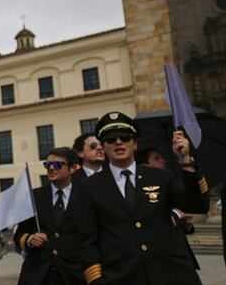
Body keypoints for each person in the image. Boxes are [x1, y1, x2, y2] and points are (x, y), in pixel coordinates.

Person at [73, 112, 209, 285]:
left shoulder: (161, 177)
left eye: (125, 137)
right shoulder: (89, 187)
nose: (118, 142)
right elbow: (86, 240)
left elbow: (197, 205)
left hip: (171, 273)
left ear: (135, 143)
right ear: (103, 146)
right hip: (121, 276)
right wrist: (96, 279)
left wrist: (186, 161)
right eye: (110, 139)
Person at [13, 147, 83, 285]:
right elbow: (19, 234)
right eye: (47, 165)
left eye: (57, 165)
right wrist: (30, 239)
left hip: (74, 274)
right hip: (39, 275)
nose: (51, 168)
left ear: (72, 168)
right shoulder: (34, 196)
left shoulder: (85, 195)